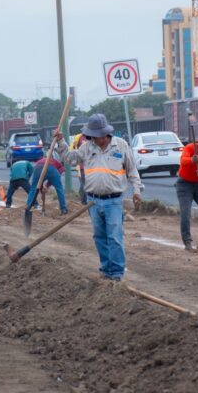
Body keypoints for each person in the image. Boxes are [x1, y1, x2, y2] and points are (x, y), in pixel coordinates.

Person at [54, 114, 142, 282]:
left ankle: (116, 273)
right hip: (93, 201)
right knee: (99, 236)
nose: (96, 139)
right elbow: (70, 159)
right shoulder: (87, 147)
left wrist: (136, 190)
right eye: (93, 136)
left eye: (98, 136)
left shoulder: (120, 146)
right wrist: (61, 142)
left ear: (106, 133)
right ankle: (106, 269)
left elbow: (132, 171)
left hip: (114, 200)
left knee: (114, 237)